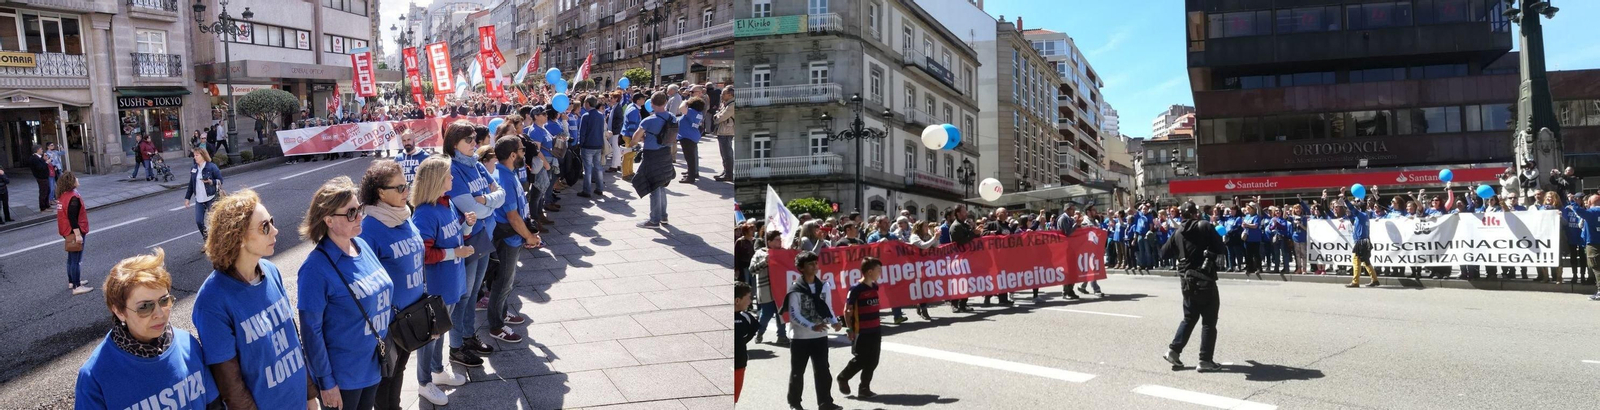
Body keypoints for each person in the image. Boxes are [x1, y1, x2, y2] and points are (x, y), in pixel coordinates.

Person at [191, 189, 318, 409]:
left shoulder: (270, 271)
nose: (275, 231)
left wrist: (309, 395)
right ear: (238, 236)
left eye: (272, 222)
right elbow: (230, 384)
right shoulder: (212, 301)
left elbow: (291, 338)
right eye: (264, 227)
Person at [75, 249, 220, 408]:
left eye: (164, 301)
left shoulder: (189, 345)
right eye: (145, 307)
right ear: (119, 311)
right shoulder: (95, 376)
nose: (159, 313)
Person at [296, 177, 394, 410]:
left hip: (373, 364)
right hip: (343, 378)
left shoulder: (362, 245)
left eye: (359, 208)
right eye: (350, 213)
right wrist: (326, 382)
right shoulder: (315, 269)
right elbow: (311, 332)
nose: (359, 216)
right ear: (329, 220)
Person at [356, 160, 429, 409]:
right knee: (387, 381)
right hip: (389, 324)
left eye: (406, 185)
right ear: (380, 192)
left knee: (399, 372)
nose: (405, 192)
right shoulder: (369, 228)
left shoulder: (403, 214)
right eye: (399, 188)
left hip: (412, 316)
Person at [409, 156, 473, 405]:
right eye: (448, 175)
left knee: (441, 330)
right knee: (430, 337)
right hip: (436, 287)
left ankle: (437, 372)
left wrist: (466, 226)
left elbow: (456, 236)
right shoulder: (424, 213)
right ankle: (424, 382)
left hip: (451, 281)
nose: (453, 178)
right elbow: (423, 254)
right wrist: (454, 254)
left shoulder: (447, 204)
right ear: (437, 180)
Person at [443, 122, 501, 367]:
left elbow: (500, 193)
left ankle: (468, 336)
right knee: (464, 296)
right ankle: (456, 346)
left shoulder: (477, 164)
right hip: (468, 239)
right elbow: (471, 207)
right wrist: (488, 204)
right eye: (468, 140)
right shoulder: (453, 168)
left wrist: (486, 200)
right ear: (454, 143)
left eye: (475, 139)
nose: (474, 144)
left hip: (484, 236)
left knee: (474, 293)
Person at [1160, 201, 1225, 372]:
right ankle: (1205, 360)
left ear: (1181, 215)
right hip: (1205, 280)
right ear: (1196, 213)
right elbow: (1221, 248)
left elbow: (1163, 252)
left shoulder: (1178, 232)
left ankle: (1173, 351)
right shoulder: (1205, 226)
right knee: (1209, 321)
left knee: (1189, 317)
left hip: (1187, 281)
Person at [488, 136, 541, 343]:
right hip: (509, 239)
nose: (524, 152)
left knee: (506, 282)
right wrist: (529, 236)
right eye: (521, 150)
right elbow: (512, 216)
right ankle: (496, 325)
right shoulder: (506, 178)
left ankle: (502, 312)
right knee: (503, 282)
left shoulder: (506, 173)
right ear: (512, 155)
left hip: (513, 237)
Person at [783, 251, 843, 410]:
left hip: (820, 336)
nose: (815, 267)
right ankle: (795, 403)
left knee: (823, 371)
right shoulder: (796, 288)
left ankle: (825, 402)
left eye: (816, 263)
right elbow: (794, 314)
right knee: (797, 373)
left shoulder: (824, 286)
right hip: (800, 338)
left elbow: (827, 307)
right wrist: (812, 326)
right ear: (801, 268)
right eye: (810, 264)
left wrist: (835, 322)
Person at [836, 257, 884, 399]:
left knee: (873, 360)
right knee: (861, 359)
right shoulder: (856, 288)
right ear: (869, 272)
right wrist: (850, 329)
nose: (880, 272)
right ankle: (843, 377)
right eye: (878, 270)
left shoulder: (875, 286)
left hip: (875, 329)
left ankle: (864, 388)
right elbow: (847, 310)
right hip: (862, 331)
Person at [632, 92, 677, 228]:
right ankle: (663, 216)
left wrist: (644, 138)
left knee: (654, 186)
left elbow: (634, 139)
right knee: (662, 185)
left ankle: (654, 220)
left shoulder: (648, 120)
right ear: (665, 103)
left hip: (652, 155)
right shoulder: (672, 117)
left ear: (651, 103)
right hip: (666, 153)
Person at [55, 172, 93, 295]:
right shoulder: (73, 198)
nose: (78, 179)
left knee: (71, 259)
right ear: (71, 182)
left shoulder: (63, 196)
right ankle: (77, 286)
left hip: (66, 231)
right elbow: (72, 217)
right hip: (75, 231)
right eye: (75, 178)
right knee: (76, 259)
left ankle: (72, 281)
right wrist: (78, 235)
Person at [185, 148, 224, 240]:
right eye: (194, 155)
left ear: (203, 156)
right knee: (199, 221)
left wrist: (211, 182)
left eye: (197, 155)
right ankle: (207, 240)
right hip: (199, 199)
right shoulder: (194, 168)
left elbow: (220, 180)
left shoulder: (211, 167)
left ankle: (216, 241)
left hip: (211, 197)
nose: (195, 157)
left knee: (213, 222)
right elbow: (191, 184)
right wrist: (187, 198)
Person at [577, 96, 607, 199]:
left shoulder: (586, 116)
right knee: (598, 167)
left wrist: (581, 143)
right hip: (597, 145)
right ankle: (599, 188)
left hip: (588, 145)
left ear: (588, 104)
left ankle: (587, 190)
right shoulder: (600, 115)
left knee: (588, 169)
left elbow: (582, 132)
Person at [734, 282, 755, 403]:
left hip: (739, 365)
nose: (750, 302)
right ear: (737, 300)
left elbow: (751, 332)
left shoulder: (746, 318)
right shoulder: (745, 318)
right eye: (748, 298)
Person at [677, 97, 705, 184]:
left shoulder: (691, 111)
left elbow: (681, 108)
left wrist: (685, 101)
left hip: (687, 136)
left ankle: (691, 177)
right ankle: (691, 173)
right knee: (691, 157)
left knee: (689, 158)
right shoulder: (698, 113)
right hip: (692, 135)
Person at [713, 87, 735, 182]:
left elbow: (720, 118)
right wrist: (717, 115)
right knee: (724, 154)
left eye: (724, 93)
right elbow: (718, 114)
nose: (721, 95)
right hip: (723, 131)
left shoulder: (732, 105)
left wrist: (716, 116)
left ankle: (729, 174)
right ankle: (726, 171)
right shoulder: (726, 103)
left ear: (730, 94)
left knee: (727, 154)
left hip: (727, 131)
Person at [26, 144, 51, 212]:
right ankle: (43, 207)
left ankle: (47, 205)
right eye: (41, 149)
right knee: (43, 191)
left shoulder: (39, 157)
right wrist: (46, 162)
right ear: (38, 150)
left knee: (47, 190)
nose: (42, 150)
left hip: (44, 176)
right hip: (41, 177)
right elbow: (40, 168)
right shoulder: (34, 158)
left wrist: (45, 160)